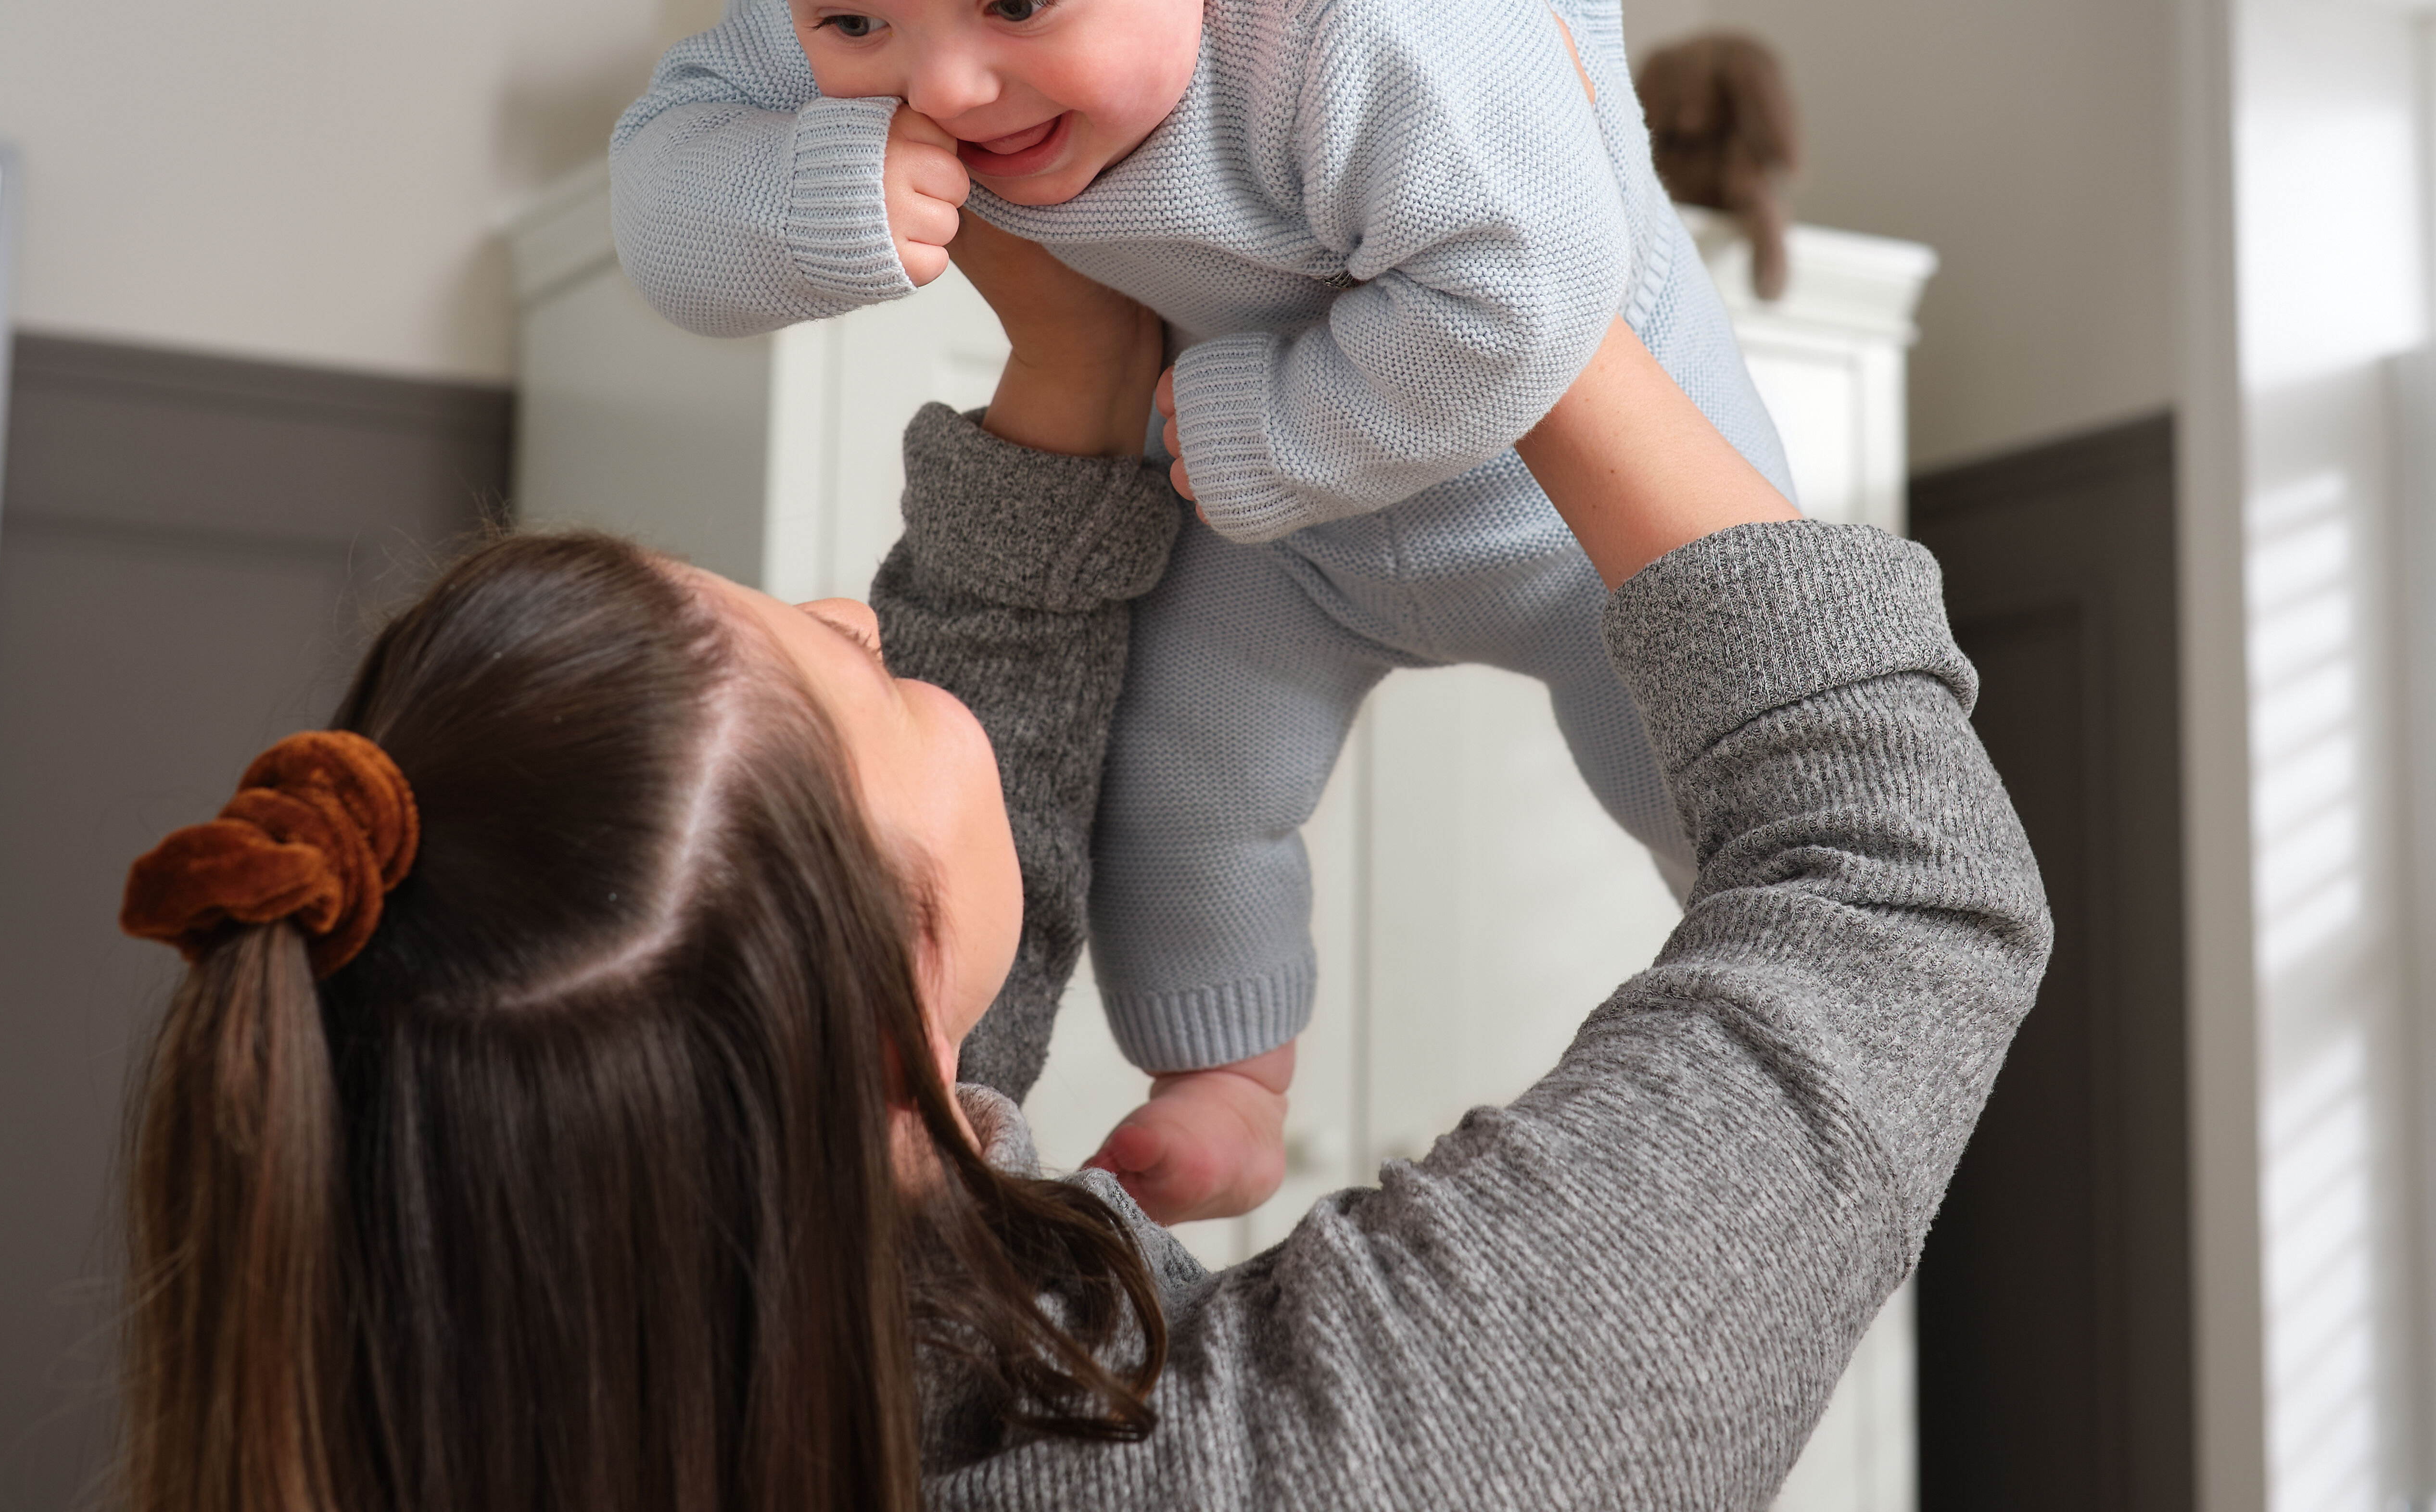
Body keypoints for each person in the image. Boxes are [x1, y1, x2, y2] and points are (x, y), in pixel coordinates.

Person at [114, 217, 2048, 1512]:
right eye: (852, 673)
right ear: (880, 1057)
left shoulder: (565, 1359)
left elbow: (960, 916)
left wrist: (1070, 367)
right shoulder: (1313, 1470)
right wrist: (1542, 318)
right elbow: (1897, 891)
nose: (860, 616)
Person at [609, 0, 1799, 1218]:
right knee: (1177, 782)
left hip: (1560, 497)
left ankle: (1805, 1072)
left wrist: (1256, 430)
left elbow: (1530, 291)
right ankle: (1229, 1078)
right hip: (1280, 537)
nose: (941, 81)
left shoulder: (1362, 4)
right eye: (852, 28)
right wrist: (817, 189)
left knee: (1729, 772)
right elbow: (659, 196)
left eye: (1020, 1)